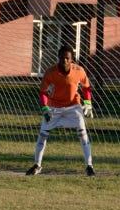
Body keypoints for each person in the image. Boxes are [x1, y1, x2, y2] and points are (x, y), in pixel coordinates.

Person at [27, 45, 96, 177]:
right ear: (57, 58)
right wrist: (45, 108)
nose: (64, 60)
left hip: (73, 107)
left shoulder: (79, 71)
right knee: (42, 135)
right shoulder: (50, 72)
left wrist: (88, 103)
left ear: (72, 59)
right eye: (61, 58)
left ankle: (89, 166)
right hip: (54, 108)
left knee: (83, 133)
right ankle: (37, 165)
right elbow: (43, 92)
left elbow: (86, 87)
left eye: (67, 58)